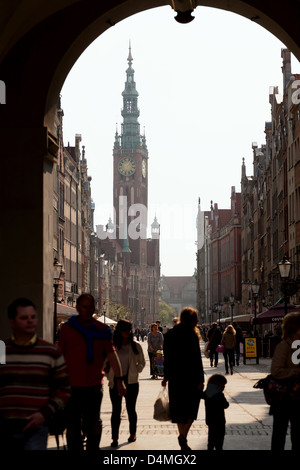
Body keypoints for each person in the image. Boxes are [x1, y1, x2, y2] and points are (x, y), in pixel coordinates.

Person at [0, 298, 71, 450]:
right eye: (24, 318)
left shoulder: (50, 352)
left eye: (33, 317)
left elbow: (64, 390)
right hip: (5, 427)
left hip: (37, 427)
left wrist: (44, 414)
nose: (30, 321)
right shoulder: (2, 350)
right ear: (12, 322)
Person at [58, 293, 126, 451]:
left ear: (94, 308)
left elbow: (112, 356)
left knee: (94, 422)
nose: (88, 310)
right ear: (77, 308)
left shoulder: (102, 330)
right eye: (84, 307)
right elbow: (59, 357)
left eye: (91, 307)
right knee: (73, 424)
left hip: (94, 385)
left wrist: (119, 379)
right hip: (71, 386)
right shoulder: (67, 329)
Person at [162, 307, 204, 451]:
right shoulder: (192, 335)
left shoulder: (170, 335)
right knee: (192, 410)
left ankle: (182, 436)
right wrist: (201, 379)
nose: (197, 321)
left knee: (179, 410)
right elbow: (197, 360)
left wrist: (166, 376)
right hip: (191, 378)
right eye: (195, 318)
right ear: (190, 319)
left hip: (175, 378)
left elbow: (167, 359)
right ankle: (183, 437)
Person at [106, 319, 145, 448]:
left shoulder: (135, 346)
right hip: (115, 382)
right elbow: (105, 363)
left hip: (132, 382)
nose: (127, 332)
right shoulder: (113, 346)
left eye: (129, 330)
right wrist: (109, 376)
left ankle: (132, 433)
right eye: (124, 330)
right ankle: (115, 437)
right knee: (116, 410)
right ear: (119, 331)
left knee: (131, 409)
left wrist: (136, 370)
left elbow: (142, 362)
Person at [270, 312, 300, 450]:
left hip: (297, 396)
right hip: (284, 396)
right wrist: (295, 372)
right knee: (279, 433)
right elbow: (276, 371)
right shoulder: (284, 346)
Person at [204, 374, 229, 451]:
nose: (224, 387)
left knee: (211, 439)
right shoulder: (219, 395)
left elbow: (200, 395)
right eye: (223, 385)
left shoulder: (207, 393)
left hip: (210, 420)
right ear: (218, 385)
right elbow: (226, 405)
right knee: (219, 439)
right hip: (219, 421)